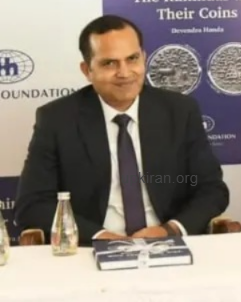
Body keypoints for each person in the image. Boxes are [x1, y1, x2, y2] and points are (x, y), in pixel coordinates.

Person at [14, 15, 229, 245]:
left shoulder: (180, 110)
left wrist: (170, 230)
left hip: (167, 243)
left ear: (144, 58)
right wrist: (100, 237)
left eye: (132, 59)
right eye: (109, 63)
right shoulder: (57, 119)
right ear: (87, 70)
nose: (124, 73)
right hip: (91, 248)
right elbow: (32, 204)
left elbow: (211, 189)